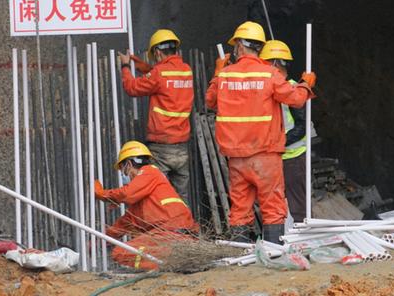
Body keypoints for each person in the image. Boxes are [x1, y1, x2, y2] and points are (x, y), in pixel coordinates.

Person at [205, 21, 317, 244]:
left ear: (239, 46)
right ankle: (273, 253)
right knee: (272, 207)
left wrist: (218, 72)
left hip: (237, 158)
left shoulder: (226, 75)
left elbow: (210, 101)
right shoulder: (270, 74)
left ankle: (240, 254)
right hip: (265, 155)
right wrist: (306, 84)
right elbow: (295, 99)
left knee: (239, 208)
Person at [94, 141, 198, 270]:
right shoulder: (142, 199)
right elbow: (122, 225)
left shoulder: (149, 172)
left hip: (171, 232)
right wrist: (98, 242)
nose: (124, 175)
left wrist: (103, 195)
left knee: (122, 252)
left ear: (129, 164)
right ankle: (172, 263)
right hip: (171, 234)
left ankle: (163, 268)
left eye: (123, 170)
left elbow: (127, 193)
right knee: (121, 252)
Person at [118, 29, 194, 203]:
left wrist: (125, 66)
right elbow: (160, 75)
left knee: (157, 195)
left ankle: (162, 230)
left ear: (158, 52)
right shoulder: (186, 71)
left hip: (161, 147)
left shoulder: (159, 74)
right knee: (181, 197)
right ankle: (183, 229)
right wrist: (139, 64)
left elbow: (132, 87)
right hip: (181, 147)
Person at [259, 40, 312, 223]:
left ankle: (301, 244)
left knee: (297, 207)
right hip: (273, 157)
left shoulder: (291, 88)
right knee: (275, 206)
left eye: (264, 63)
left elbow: (301, 126)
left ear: (275, 63)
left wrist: (279, 143)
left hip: (293, 157)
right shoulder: (266, 88)